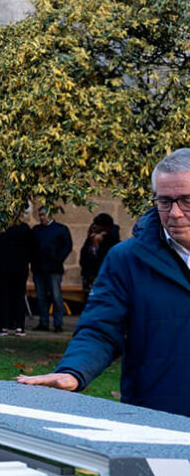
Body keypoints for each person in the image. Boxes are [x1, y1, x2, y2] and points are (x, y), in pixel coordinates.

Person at [18, 149, 190, 417]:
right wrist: (73, 371)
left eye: (186, 201)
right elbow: (100, 329)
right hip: (154, 420)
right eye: (165, 201)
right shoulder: (127, 260)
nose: (175, 213)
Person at [0, 211, 33, 337]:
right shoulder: (24, 228)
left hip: (3, 267)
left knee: (4, 296)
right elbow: (31, 248)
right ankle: (19, 327)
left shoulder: (0, 228)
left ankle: (3, 327)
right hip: (20, 267)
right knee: (19, 296)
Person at [30, 207, 73, 332]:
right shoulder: (36, 230)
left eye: (44, 215)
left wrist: (58, 258)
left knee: (56, 296)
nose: (42, 217)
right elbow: (32, 247)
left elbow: (67, 246)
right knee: (41, 297)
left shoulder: (61, 229)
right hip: (39, 268)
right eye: (40, 215)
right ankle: (43, 322)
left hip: (54, 268)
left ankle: (58, 323)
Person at [79, 213, 120, 294]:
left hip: (103, 276)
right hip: (90, 275)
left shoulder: (110, 239)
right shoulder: (91, 237)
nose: (95, 227)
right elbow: (85, 255)